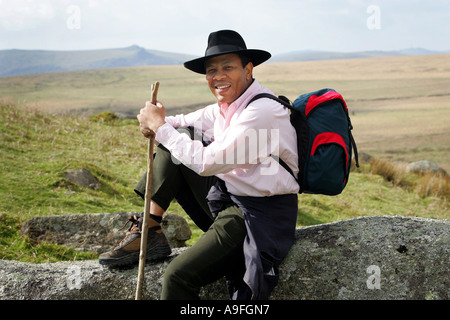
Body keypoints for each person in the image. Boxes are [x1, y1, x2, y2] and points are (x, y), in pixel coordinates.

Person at [99, 30, 299, 300]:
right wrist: (152, 120)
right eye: (211, 70)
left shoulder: (261, 111)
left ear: (248, 70)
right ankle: (149, 228)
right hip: (229, 199)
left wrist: (159, 127)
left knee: (177, 277)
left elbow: (208, 162)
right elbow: (179, 124)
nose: (218, 76)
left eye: (228, 67)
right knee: (178, 141)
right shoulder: (227, 106)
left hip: (257, 217)